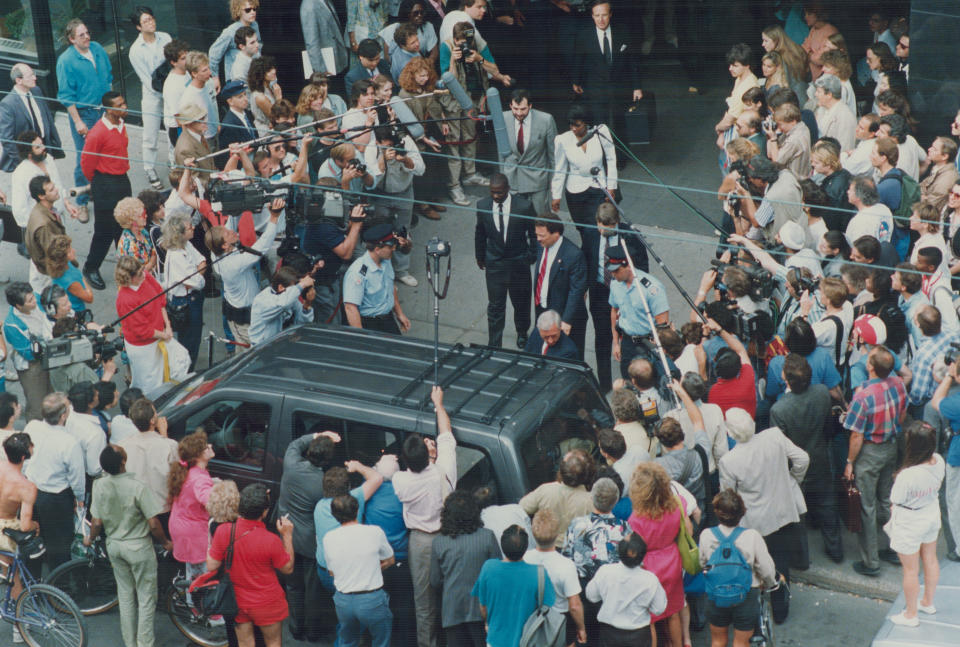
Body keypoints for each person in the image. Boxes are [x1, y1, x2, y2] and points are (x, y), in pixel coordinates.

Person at [720, 407, 809, 622]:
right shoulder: (774, 436)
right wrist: (792, 481)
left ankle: (753, 611)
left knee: (756, 565)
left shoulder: (729, 461)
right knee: (780, 561)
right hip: (783, 510)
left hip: (755, 521)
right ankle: (780, 608)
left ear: (730, 433)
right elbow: (802, 459)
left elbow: (728, 497)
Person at [85, 444, 171, 647]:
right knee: (146, 597)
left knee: (125, 596)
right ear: (123, 462)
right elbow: (153, 523)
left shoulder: (99, 485)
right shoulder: (138, 487)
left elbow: (96, 522)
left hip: (114, 545)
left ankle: (129, 642)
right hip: (139, 547)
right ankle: (144, 642)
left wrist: (90, 538)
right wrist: (166, 542)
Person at [389, 385, 454, 647]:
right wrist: (438, 404)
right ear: (428, 456)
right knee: (451, 595)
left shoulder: (400, 481)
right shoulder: (445, 468)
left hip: (420, 543)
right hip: (448, 537)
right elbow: (446, 433)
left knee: (423, 603)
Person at [770, 353, 843, 562]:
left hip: (795, 468)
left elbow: (779, 445)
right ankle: (836, 551)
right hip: (821, 457)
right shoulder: (821, 393)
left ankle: (801, 559)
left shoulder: (779, 409)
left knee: (797, 514)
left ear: (786, 380)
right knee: (828, 506)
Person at [842, 346, 908, 577]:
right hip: (890, 446)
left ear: (870, 366)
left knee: (867, 507)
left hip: (869, 453)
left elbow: (856, 435)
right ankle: (894, 549)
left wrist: (850, 461)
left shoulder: (863, 396)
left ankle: (871, 562)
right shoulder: (899, 384)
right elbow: (902, 413)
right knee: (887, 500)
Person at [207, 483, 294, 647]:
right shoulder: (271, 540)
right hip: (267, 603)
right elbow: (287, 568)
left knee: (245, 643)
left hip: (238, 601)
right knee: (273, 642)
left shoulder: (224, 531)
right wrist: (287, 536)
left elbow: (212, 566)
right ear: (265, 512)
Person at [276, 428, 339, 642]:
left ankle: (296, 628)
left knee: (293, 586)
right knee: (312, 591)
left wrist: (320, 434)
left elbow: (295, 444)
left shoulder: (291, 463)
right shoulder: (321, 483)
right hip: (310, 541)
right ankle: (313, 632)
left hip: (287, 536)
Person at [881, 421, 944, 626]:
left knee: (910, 570)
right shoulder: (939, 460)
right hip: (931, 513)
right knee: (931, 559)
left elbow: (895, 499)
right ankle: (927, 602)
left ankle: (910, 615)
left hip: (910, 520)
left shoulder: (906, 476)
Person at [699, 489, 778, 647]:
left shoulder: (706, 535)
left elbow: (702, 563)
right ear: (742, 513)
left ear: (717, 512)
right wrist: (770, 583)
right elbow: (767, 570)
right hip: (746, 595)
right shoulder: (752, 536)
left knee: (718, 641)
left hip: (716, 595)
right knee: (741, 643)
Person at [55, 19, 112, 222]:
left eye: (87, 32)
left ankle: (104, 193)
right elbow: (66, 96)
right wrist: (78, 121)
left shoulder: (96, 49)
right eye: (81, 35)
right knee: (85, 159)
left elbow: (108, 77)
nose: (87, 37)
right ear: (71, 39)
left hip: (104, 111)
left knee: (107, 154)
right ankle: (82, 201)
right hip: (85, 114)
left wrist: (112, 107)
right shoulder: (66, 61)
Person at [206, 199, 282, 348]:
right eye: (228, 234)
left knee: (242, 353)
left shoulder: (217, 252)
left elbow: (230, 224)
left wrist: (236, 206)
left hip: (237, 315)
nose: (232, 231)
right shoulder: (232, 264)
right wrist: (273, 218)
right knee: (255, 353)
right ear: (225, 245)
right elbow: (262, 246)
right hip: (245, 322)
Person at [430, 490, 502, 646]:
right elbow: (497, 574)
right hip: (482, 610)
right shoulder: (487, 536)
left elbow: (435, 581)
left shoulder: (438, 542)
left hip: (452, 611)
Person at [627, 462, 688, 647]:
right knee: (673, 612)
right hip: (672, 561)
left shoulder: (636, 520)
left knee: (650, 619)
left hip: (649, 567)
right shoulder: (677, 507)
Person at [323, 493, 394, 647]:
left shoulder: (329, 538)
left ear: (334, 515)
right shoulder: (375, 532)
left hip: (343, 601)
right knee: (381, 641)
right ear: (357, 510)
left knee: (347, 641)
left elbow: (331, 571)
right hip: (372, 600)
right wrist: (373, 568)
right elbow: (390, 559)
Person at [22, 393, 85, 569]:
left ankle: (34, 584)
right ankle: (59, 586)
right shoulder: (69, 442)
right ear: (63, 415)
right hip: (57, 499)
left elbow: (25, 459)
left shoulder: (32, 427)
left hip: (32, 492)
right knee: (59, 547)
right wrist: (79, 498)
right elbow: (76, 477)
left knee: (34, 541)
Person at [475, 173, 537, 348]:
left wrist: (532, 255)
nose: (496, 196)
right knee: (495, 306)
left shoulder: (524, 207)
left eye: (500, 193)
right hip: (495, 263)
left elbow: (534, 232)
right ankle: (494, 344)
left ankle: (522, 332)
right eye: (493, 192)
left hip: (519, 262)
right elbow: (480, 232)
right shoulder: (483, 205)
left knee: (522, 302)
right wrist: (479, 256)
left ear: (508, 189)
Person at [80, 92, 133, 291]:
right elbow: (87, 163)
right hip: (105, 183)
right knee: (104, 230)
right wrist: (98, 184)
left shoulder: (121, 124)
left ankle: (126, 266)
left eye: (124, 102)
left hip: (121, 180)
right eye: (120, 105)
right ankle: (91, 267)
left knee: (124, 225)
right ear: (109, 109)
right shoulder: (98, 132)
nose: (125, 107)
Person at [471, 524, 556, 647]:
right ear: (526, 546)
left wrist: (488, 622)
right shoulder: (539, 573)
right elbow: (548, 607)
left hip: (495, 640)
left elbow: (483, 606)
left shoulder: (488, 568)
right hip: (529, 641)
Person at [551, 104, 617, 260]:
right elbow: (559, 169)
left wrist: (611, 185)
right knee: (583, 229)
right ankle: (592, 256)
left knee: (595, 228)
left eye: (577, 125)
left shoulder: (600, 132)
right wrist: (556, 195)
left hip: (598, 187)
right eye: (571, 124)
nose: (573, 128)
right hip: (575, 191)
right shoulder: (562, 140)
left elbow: (611, 158)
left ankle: (592, 259)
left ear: (586, 123)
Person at [571, 1, 643, 144]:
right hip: (595, 86)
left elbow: (632, 61)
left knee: (620, 122)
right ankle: (601, 156)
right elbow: (578, 60)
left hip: (619, 85)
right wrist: (576, 82)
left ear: (610, 14)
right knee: (599, 124)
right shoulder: (584, 35)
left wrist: (637, 86)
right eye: (597, 15)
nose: (601, 19)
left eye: (604, 15)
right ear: (592, 16)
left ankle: (621, 156)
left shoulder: (623, 31)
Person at [115, 256, 189, 393]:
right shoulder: (125, 300)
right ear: (129, 278)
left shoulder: (145, 277)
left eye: (142, 270)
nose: (144, 274)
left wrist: (167, 325)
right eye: (139, 274)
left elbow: (160, 298)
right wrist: (164, 335)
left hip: (160, 334)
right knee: (149, 382)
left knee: (171, 368)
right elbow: (141, 330)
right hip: (143, 347)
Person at [585, 531, 667, 647]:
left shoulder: (606, 571)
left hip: (609, 633)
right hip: (639, 634)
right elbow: (659, 608)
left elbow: (591, 596)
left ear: (619, 551)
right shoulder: (650, 579)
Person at [606, 245, 670, 382]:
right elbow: (614, 311)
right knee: (628, 380)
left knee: (650, 381)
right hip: (628, 341)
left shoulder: (652, 288)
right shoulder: (615, 284)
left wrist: (660, 348)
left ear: (628, 265)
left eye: (616, 271)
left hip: (648, 342)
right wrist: (616, 342)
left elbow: (663, 324)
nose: (613, 274)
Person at [524, 509, 587, 646]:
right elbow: (574, 605)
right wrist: (581, 628)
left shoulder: (524, 559)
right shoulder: (566, 565)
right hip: (560, 620)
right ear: (558, 534)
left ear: (533, 533)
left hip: (529, 618)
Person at [532, 213, 588, 357]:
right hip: (544, 311)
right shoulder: (542, 246)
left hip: (565, 317)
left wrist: (567, 320)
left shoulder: (574, 255)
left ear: (556, 234)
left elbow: (576, 290)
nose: (538, 239)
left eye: (542, 235)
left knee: (570, 358)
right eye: (537, 235)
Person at [0, 432, 38, 642]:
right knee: (14, 580)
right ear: (24, 457)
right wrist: (36, 525)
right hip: (6, 528)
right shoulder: (26, 487)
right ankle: (19, 627)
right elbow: (24, 525)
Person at [118, 397, 180, 526]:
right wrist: (163, 433)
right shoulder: (169, 445)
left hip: (137, 510)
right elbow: (177, 471)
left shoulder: (122, 445)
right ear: (152, 420)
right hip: (163, 509)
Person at [128, 7, 171, 189]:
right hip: (152, 94)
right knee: (150, 133)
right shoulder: (135, 50)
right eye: (145, 21)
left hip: (170, 90)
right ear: (138, 27)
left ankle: (173, 161)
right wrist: (161, 91)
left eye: (151, 19)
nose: (151, 23)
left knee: (172, 127)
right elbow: (146, 79)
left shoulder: (166, 38)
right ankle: (149, 167)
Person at [168, 431, 216, 591]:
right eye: (205, 447)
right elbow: (209, 501)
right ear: (198, 456)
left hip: (182, 526)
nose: (210, 446)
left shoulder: (189, 472)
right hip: (194, 533)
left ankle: (192, 607)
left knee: (193, 573)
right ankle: (209, 613)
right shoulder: (200, 478)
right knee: (205, 576)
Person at [343, 224, 412, 334]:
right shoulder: (358, 273)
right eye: (390, 247)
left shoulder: (386, 260)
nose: (394, 249)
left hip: (387, 319)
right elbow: (350, 308)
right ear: (377, 249)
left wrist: (399, 313)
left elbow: (391, 288)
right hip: (369, 324)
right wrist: (362, 338)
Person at [520, 449, 595, 547]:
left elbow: (522, 507)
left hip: (548, 547)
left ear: (561, 470)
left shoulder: (545, 490)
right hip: (577, 550)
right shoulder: (590, 501)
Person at [0, 64, 63, 179]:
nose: (35, 78)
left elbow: (47, 118)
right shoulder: (8, 104)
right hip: (28, 155)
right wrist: (24, 161)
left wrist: (54, 145)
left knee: (52, 181)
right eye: (30, 76)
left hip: (44, 147)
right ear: (19, 80)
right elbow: (6, 139)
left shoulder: (36, 91)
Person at [502, 88, 557, 216]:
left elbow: (553, 155)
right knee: (516, 221)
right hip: (512, 179)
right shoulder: (503, 118)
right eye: (515, 109)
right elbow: (502, 152)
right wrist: (503, 177)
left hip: (538, 180)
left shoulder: (546, 120)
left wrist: (554, 185)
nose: (519, 113)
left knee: (541, 219)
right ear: (510, 105)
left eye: (523, 109)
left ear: (530, 106)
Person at [3, 282, 52, 421]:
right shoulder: (12, 325)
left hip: (47, 354)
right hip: (32, 366)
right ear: (19, 306)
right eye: (30, 300)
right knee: (37, 404)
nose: (35, 300)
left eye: (33, 297)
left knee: (53, 394)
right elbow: (29, 354)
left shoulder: (37, 300)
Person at [249, 266, 316, 346]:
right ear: (281, 287)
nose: (294, 291)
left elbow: (302, 321)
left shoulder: (289, 297)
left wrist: (307, 304)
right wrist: (302, 285)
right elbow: (283, 303)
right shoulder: (262, 301)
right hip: (261, 347)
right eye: (292, 288)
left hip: (280, 344)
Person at [23, 175, 66, 295]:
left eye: (54, 187)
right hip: (47, 274)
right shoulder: (44, 224)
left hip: (43, 266)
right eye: (51, 190)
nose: (56, 190)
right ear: (41, 196)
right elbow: (52, 252)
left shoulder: (43, 209)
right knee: (50, 301)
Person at [208, 0, 262, 88]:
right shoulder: (230, 32)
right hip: (236, 79)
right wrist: (214, 77)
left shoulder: (255, 25)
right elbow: (213, 54)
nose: (252, 12)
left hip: (254, 76)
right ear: (238, 10)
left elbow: (258, 49)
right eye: (248, 10)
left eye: (254, 9)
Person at [713, 43, 760, 138]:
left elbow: (729, 121)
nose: (730, 68)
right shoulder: (741, 78)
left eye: (735, 65)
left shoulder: (746, 87)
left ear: (747, 65)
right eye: (730, 65)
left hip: (740, 130)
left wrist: (718, 128)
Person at [65, 382, 107, 481]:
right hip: (84, 479)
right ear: (90, 404)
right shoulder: (95, 433)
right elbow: (94, 469)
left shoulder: (68, 413)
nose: (98, 394)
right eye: (96, 395)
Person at [301, 0, 348, 78]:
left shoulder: (326, 1)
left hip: (337, 61)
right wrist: (321, 71)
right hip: (326, 67)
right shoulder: (309, 5)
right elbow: (311, 43)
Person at [813, 74, 856, 152]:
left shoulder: (845, 117)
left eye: (819, 91)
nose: (815, 94)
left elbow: (844, 148)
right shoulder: (821, 109)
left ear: (829, 95)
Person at [161, 39, 190, 152]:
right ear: (173, 62)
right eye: (183, 58)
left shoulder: (186, 72)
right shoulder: (172, 85)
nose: (187, 60)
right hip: (179, 129)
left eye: (187, 55)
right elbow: (178, 117)